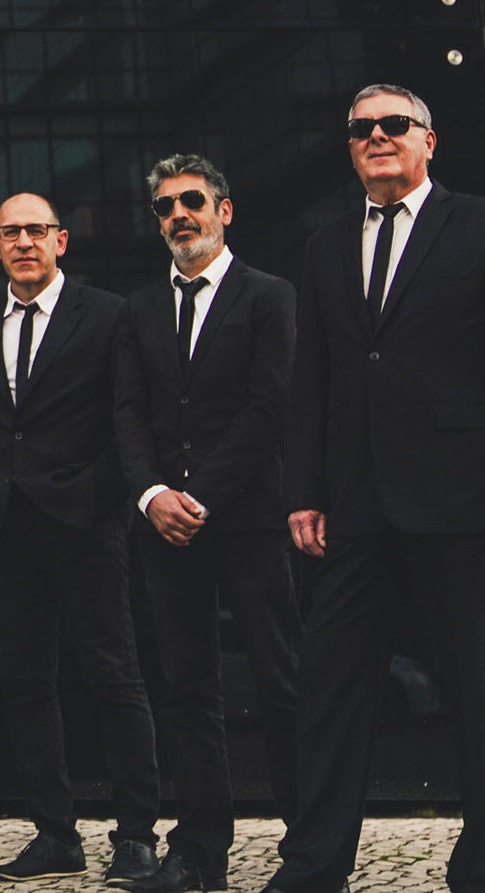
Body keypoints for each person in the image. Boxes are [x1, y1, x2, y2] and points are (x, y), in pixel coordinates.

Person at [269, 83, 485, 893]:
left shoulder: (476, 225)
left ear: (429, 140)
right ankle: (313, 867)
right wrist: (304, 489)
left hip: (462, 499)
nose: (378, 136)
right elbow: (313, 378)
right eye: (362, 128)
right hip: (356, 504)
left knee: (477, 688)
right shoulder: (326, 245)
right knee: (330, 689)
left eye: (395, 124)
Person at [0, 193, 160, 884]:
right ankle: (55, 834)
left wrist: (102, 491)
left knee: (114, 676)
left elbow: (129, 416)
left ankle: (136, 835)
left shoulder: (106, 314)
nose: (24, 242)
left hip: (84, 522)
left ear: (61, 241)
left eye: (36, 230)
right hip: (4, 527)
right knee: (25, 684)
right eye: (11, 233)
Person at [112, 154, 300, 893]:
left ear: (224, 209)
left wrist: (201, 496)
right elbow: (128, 412)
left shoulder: (270, 295)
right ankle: (198, 853)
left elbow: (269, 408)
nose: (178, 215)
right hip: (166, 527)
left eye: (191, 200)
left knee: (281, 682)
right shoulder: (138, 309)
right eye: (164, 206)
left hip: (249, 518)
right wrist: (153, 494)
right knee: (187, 690)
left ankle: (309, 846)